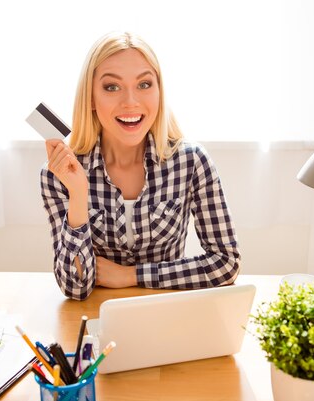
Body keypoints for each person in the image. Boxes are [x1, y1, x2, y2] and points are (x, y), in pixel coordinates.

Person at [40, 32, 240, 300]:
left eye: (144, 84)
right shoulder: (60, 174)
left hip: (165, 314)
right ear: (90, 98)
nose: (131, 102)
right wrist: (78, 194)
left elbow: (226, 263)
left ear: (159, 92)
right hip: (96, 319)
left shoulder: (192, 162)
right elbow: (75, 287)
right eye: (112, 87)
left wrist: (130, 276)